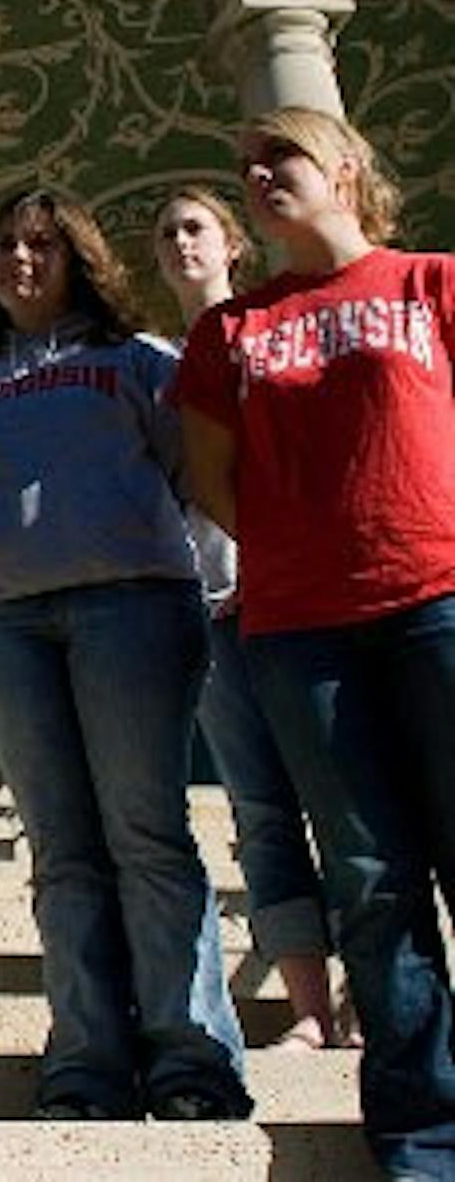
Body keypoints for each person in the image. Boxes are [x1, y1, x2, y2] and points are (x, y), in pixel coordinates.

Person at [0, 187, 251, 1122]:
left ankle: (191, 1060)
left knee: (146, 836)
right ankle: (85, 1063)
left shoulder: (140, 363)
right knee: (62, 852)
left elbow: (197, 483)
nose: (20, 260)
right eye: (6, 246)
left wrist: (208, 591)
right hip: (8, 630)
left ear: (81, 259)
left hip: (133, 613)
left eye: (43, 245)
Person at [173, 107, 454, 1179]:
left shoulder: (428, 284)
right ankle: (424, 1140)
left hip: (437, 602)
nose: (257, 176)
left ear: (343, 166)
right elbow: (211, 477)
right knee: (371, 883)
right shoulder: (229, 332)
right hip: (301, 632)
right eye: (245, 166)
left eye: (278, 155)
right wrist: (305, 545)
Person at [152, 185, 352, 1053]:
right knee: (261, 806)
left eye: (195, 227)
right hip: (206, 605)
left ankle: (367, 990)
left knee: (344, 797)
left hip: (300, 600)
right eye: (166, 233)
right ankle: (309, 1008)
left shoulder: (276, 331)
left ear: (231, 242)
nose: (180, 243)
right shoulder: (154, 362)